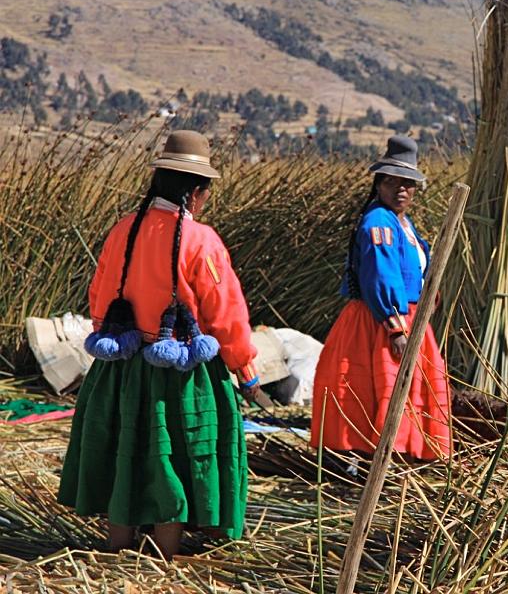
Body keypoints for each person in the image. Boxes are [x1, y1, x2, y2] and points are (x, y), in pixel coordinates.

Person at [57, 130, 261, 559]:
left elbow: (100, 298)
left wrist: (119, 345)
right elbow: (226, 313)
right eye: (206, 192)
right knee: (170, 456)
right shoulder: (201, 240)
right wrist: (245, 368)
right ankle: (165, 561)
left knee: (126, 452)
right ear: (197, 192)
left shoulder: (123, 231)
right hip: (181, 374)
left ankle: (118, 550)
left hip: (122, 367)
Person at [311, 135, 451, 463]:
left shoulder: (403, 222)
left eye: (408, 183)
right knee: (380, 388)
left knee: (402, 391)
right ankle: (374, 460)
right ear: (379, 184)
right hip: (381, 322)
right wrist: (396, 328)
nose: (401, 189)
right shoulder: (378, 223)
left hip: (409, 317)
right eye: (392, 182)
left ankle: (399, 459)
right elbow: (381, 275)